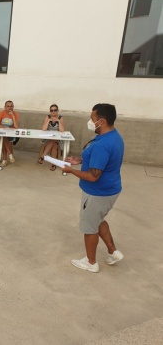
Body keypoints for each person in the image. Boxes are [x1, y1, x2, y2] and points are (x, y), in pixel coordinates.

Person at [61, 103, 124, 273]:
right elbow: (101, 162)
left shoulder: (102, 144)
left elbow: (93, 176)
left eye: (92, 118)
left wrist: (70, 171)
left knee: (89, 227)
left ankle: (91, 262)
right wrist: (80, 161)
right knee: (98, 220)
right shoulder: (113, 136)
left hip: (97, 193)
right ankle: (113, 252)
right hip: (110, 189)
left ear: (101, 121)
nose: (90, 121)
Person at [37, 104, 65, 171]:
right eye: (51, 110)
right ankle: (53, 164)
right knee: (54, 144)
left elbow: (62, 130)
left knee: (54, 141)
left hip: (58, 139)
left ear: (57, 111)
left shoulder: (60, 117)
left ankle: (43, 156)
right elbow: (43, 129)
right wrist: (49, 120)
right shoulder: (48, 117)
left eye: (55, 110)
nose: (53, 112)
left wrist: (58, 121)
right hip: (48, 138)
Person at [0, 100, 20, 166]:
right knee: (3, 136)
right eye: (8, 106)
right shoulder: (1, 113)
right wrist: (5, 127)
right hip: (2, 132)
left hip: (12, 133)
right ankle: (10, 155)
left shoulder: (16, 114)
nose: (10, 108)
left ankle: (5, 159)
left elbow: (17, 127)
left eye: (11, 106)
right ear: (5, 107)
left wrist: (13, 116)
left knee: (3, 138)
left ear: (13, 107)